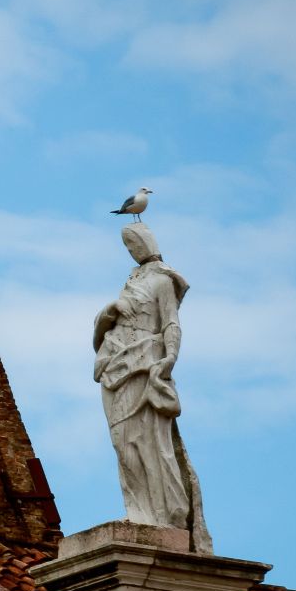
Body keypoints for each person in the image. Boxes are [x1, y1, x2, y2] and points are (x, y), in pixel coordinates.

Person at [93, 224, 212, 553]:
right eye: (127, 246)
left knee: (148, 440)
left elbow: (171, 322)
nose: (131, 250)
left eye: (134, 243)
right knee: (122, 442)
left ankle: (163, 515)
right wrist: (109, 311)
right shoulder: (130, 283)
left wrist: (170, 358)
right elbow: (104, 328)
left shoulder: (163, 281)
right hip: (116, 365)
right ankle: (138, 509)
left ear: (147, 243)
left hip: (146, 364)